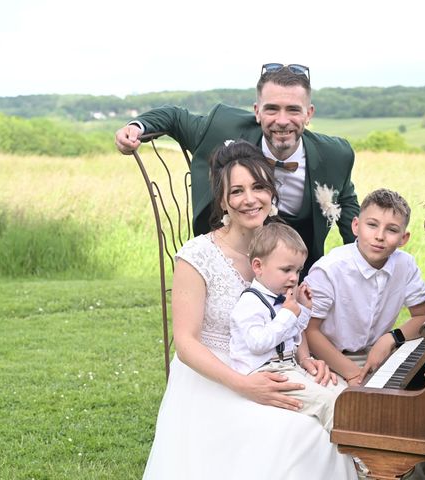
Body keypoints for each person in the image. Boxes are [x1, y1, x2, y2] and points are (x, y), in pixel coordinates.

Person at [141, 140, 357, 479]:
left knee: (341, 404)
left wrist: (306, 359)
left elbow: (290, 309)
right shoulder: (198, 255)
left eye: (258, 187)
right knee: (300, 434)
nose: (249, 199)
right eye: (237, 191)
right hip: (214, 378)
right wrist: (243, 385)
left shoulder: (282, 247)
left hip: (274, 363)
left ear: (271, 192)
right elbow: (185, 344)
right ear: (223, 200)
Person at [114, 63, 360, 276]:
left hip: (297, 278)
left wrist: (363, 265)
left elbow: (349, 212)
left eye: (293, 110)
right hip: (228, 267)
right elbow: (175, 118)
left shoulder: (335, 156)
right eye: (272, 109)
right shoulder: (222, 129)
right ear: (257, 112)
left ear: (308, 114)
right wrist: (137, 127)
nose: (282, 120)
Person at [304, 188, 425, 386]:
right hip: (328, 359)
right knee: (351, 408)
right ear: (356, 226)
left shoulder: (404, 265)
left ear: (403, 239)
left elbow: (423, 317)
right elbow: (310, 331)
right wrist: (353, 374)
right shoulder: (330, 269)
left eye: (392, 230)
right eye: (372, 225)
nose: (380, 236)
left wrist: (390, 339)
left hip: (378, 354)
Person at [229, 222, 345, 432]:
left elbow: (290, 335)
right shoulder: (249, 303)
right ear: (258, 266)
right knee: (327, 401)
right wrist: (288, 314)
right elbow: (258, 343)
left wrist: (304, 309)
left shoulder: (283, 298)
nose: (294, 277)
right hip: (267, 373)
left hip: (290, 367)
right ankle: (355, 455)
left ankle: (363, 443)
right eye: (286, 270)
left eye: (298, 270)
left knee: (341, 391)